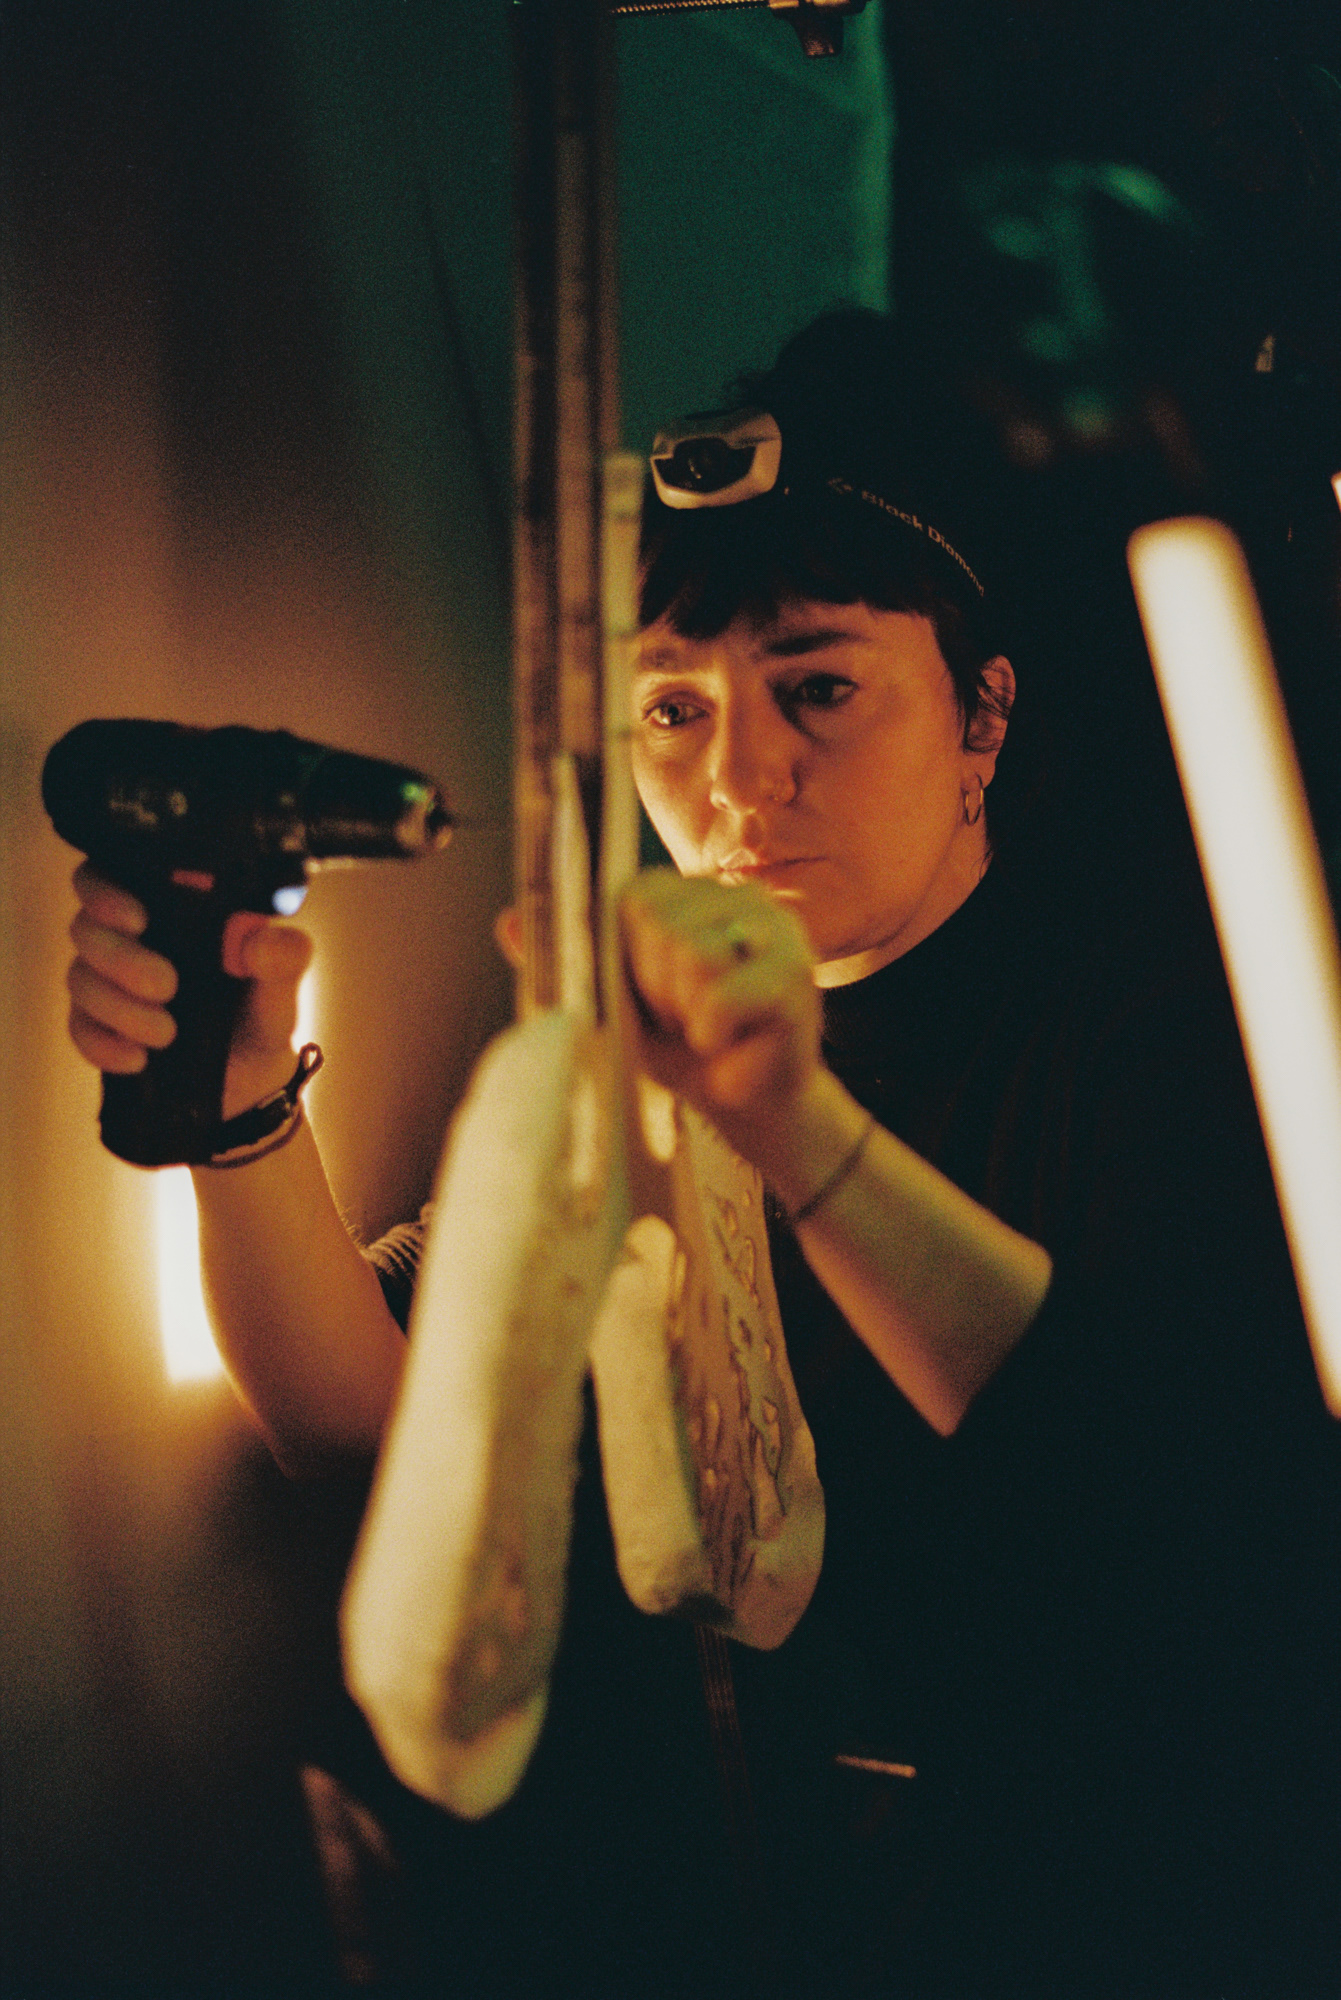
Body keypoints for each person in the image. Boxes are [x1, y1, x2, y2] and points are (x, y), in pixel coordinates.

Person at [64, 311, 1338, 1996]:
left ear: (982, 715)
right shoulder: (642, 1055)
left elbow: (1126, 1478)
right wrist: (236, 1114)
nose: (739, 776)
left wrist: (790, 1128)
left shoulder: (1171, 1009)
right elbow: (356, 1411)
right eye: (671, 709)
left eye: (818, 688)